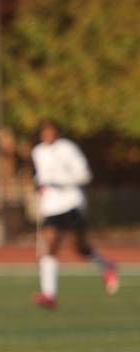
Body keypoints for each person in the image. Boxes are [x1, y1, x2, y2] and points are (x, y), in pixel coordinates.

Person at [31, 120, 119, 308]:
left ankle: (107, 266)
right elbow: (40, 175)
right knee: (50, 245)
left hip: (71, 203)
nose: (47, 135)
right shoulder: (37, 152)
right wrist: (39, 183)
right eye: (44, 132)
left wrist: (59, 180)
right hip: (51, 207)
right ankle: (49, 294)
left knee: (78, 247)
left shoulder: (69, 149)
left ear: (57, 132)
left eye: (50, 131)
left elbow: (84, 175)